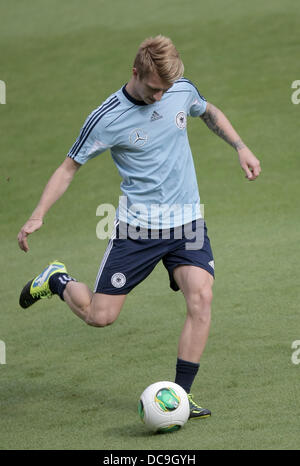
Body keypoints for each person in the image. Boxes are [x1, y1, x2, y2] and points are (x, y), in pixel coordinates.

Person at [18, 35, 261, 419]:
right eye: (154, 89)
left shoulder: (180, 89)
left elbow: (208, 110)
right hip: (139, 231)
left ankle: (180, 397)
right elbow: (68, 168)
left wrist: (240, 146)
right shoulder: (107, 117)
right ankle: (56, 280)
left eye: (167, 89)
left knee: (202, 298)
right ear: (135, 72)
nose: (162, 96)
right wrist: (38, 213)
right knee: (101, 317)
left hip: (187, 223)